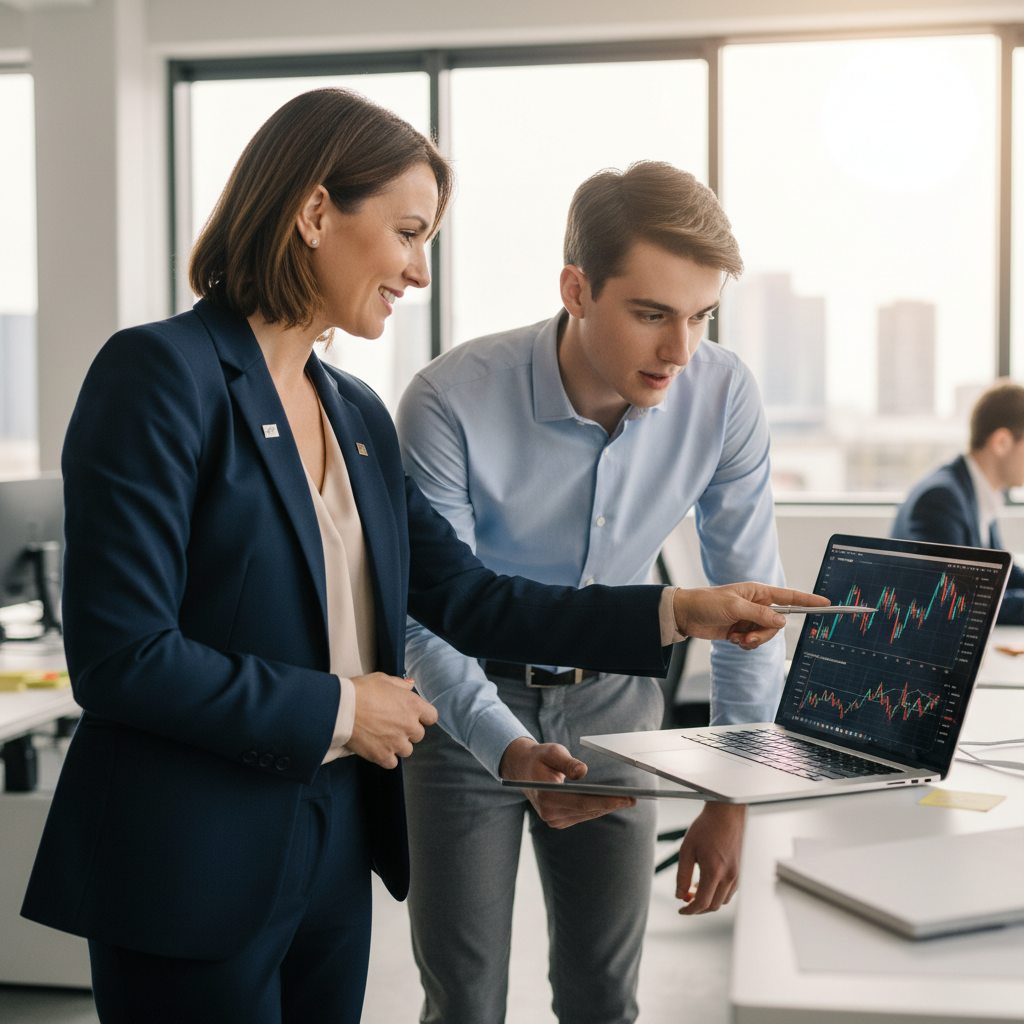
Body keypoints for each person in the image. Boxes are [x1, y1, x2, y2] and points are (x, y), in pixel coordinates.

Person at [19, 91, 823, 1024]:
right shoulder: (159, 375)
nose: (420, 271)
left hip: (330, 840)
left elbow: (468, 598)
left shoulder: (353, 411)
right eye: (407, 232)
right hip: (196, 851)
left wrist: (676, 611)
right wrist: (342, 705)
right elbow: (121, 658)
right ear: (315, 213)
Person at [396, 161, 787, 1024]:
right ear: (576, 288)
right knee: (462, 998)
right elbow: (427, 613)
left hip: (616, 697)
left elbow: (751, 607)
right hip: (465, 697)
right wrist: (503, 747)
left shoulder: (721, 395)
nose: (679, 351)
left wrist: (731, 795)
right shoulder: (449, 401)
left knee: (604, 995)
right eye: (651, 314)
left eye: (699, 316)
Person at [892, 379, 1024, 622]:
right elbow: (958, 601)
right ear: (1002, 442)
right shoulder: (941, 499)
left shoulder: (980, 491)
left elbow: (1002, 573)